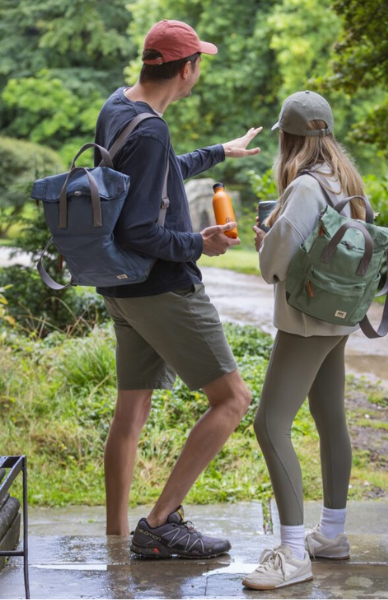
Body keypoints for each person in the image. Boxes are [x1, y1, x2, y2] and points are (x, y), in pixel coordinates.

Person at [94, 19, 262, 559]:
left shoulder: (119, 107)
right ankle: (160, 524)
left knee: (131, 411)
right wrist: (200, 244)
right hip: (163, 288)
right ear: (185, 69)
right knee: (233, 399)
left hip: (121, 287)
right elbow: (142, 229)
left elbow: (153, 176)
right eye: (198, 64)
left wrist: (220, 150)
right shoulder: (152, 129)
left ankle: (117, 533)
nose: (198, 74)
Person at [243, 90, 367, 590]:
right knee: (329, 416)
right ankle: (331, 535)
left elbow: (276, 260)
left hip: (306, 320)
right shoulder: (347, 180)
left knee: (270, 423)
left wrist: (263, 243)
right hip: (340, 316)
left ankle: (293, 553)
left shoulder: (304, 187)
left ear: (289, 138)